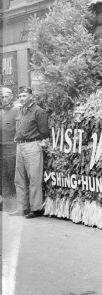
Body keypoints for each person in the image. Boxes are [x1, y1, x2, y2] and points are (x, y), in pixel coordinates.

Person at [10, 87, 49, 218]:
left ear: (31, 96)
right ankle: (22, 207)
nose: (21, 98)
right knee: (19, 179)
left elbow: (44, 131)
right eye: (20, 96)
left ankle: (36, 208)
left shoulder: (38, 111)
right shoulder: (22, 110)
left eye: (24, 95)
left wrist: (39, 142)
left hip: (32, 145)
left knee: (34, 178)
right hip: (20, 146)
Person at [1, 87, 19, 207]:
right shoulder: (0, 111)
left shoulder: (17, 110)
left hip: (12, 147)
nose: (3, 99)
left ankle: (14, 202)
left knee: (12, 173)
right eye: (2, 97)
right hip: (1, 147)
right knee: (2, 174)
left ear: (11, 96)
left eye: (6, 96)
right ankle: (4, 201)